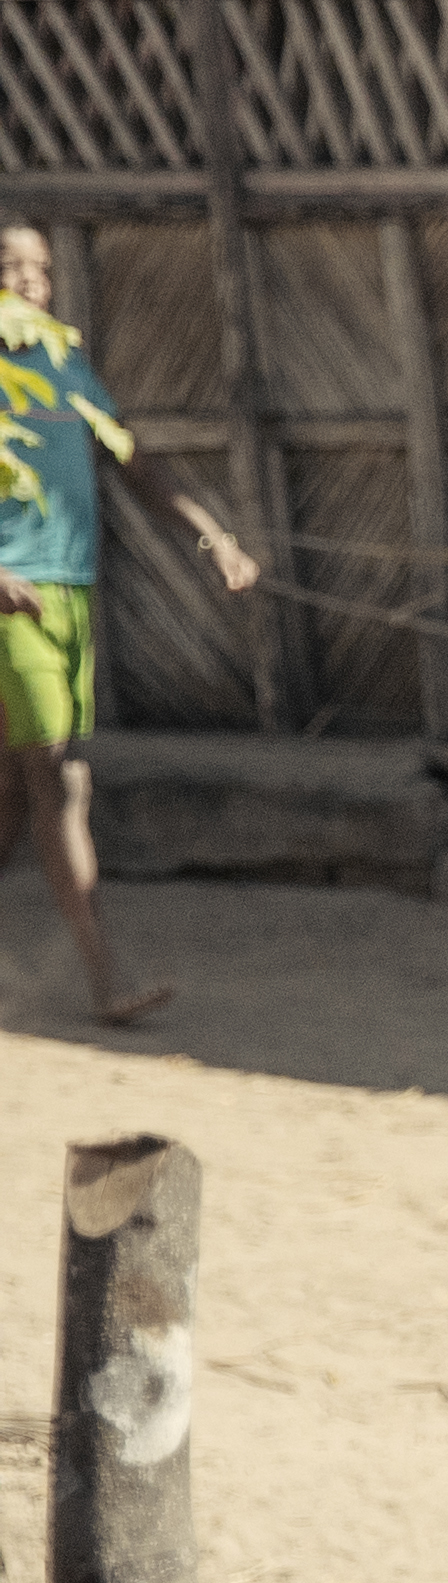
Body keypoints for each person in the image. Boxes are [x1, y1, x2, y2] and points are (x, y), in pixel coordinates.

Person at [0, 231, 258, 1027]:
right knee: (60, 779)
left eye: (42, 268)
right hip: (12, 603)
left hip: (69, 593)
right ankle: (106, 975)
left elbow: (133, 459)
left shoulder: (65, 363)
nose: (31, 281)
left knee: (11, 794)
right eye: (11, 267)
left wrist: (213, 535)